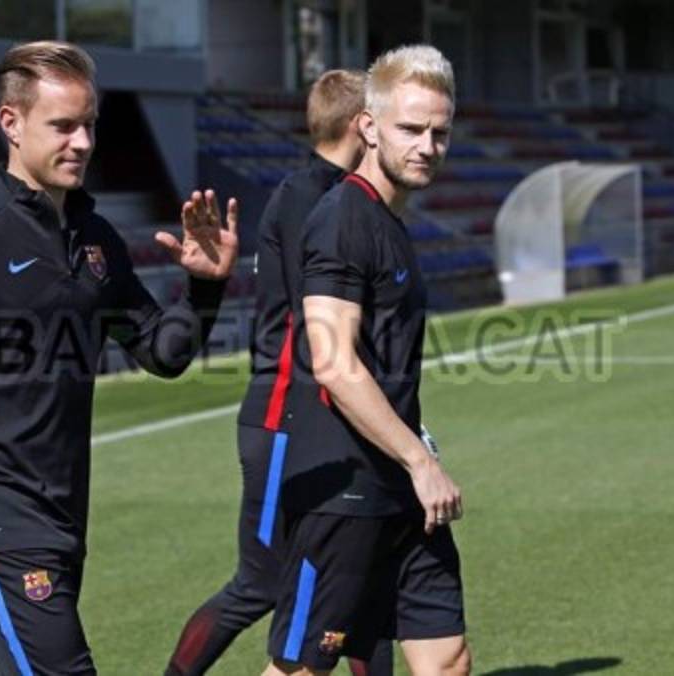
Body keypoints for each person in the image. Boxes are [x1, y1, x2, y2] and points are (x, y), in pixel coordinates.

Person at [0, 40, 238, 675]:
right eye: (63, 125)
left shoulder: (96, 241)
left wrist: (204, 287)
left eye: (90, 123)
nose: (84, 142)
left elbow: (163, 351)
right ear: (10, 123)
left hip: (63, 513)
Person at [164, 70, 392, 676]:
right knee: (259, 584)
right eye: (377, 120)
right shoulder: (317, 198)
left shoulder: (330, 193)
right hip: (283, 420)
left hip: (321, 419)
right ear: (357, 126)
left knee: (363, 588)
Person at [263, 45, 470, 676]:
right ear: (370, 128)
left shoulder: (388, 220)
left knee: (446, 656)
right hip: (344, 492)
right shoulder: (341, 219)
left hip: (401, 490)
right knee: (302, 669)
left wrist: (414, 457)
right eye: (411, 129)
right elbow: (333, 362)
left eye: (439, 132)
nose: (427, 145)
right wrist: (419, 460)